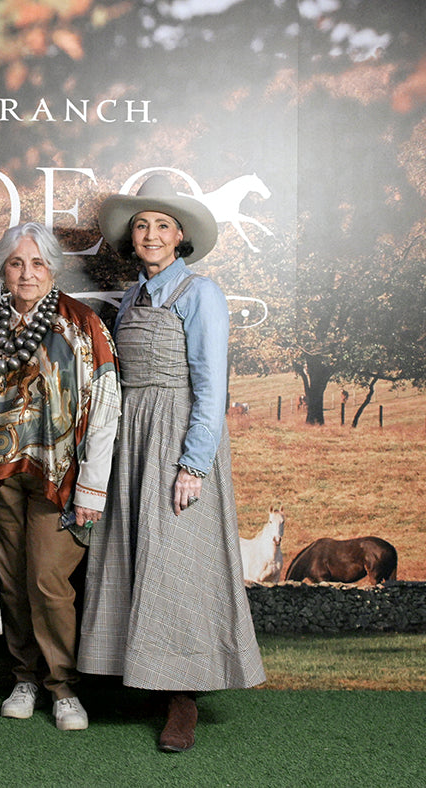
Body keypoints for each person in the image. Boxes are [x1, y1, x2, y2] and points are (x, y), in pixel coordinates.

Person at [79, 175, 266, 753]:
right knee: (135, 553)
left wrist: (194, 464)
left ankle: (182, 700)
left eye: (163, 225)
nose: (152, 234)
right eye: (142, 225)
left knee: (178, 561)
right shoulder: (132, 297)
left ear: (180, 236)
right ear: (131, 239)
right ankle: (139, 676)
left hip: (177, 432)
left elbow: (211, 386)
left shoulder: (201, 293)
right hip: (132, 433)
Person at [0, 222, 120, 732]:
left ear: (53, 268)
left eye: (37, 263)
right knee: (11, 581)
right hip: (0, 471)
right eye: (16, 263)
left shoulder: (82, 324)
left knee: (47, 580)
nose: (27, 273)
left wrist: (93, 488)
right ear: (2, 270)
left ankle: (62, 687)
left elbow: (105, 408)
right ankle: (24, 678)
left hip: (60, 473)